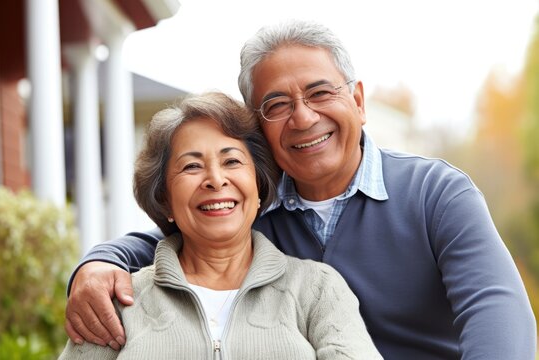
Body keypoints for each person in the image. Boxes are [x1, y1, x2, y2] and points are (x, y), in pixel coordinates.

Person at [65, 20, 537, 359]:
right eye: (277, 104)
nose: (304, 117)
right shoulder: (253, 203)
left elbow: (499, 318)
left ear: (357, 100)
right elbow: (177, 234)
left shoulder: (436, 193)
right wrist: (99, 261)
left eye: (320, 93)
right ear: (257, 126)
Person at [59, 92, 383, 359]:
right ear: (166, 200)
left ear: (258, 188)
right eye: (192, 166)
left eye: (231, 161)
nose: (215, 180)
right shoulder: (118, 302)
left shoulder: (317, 289)